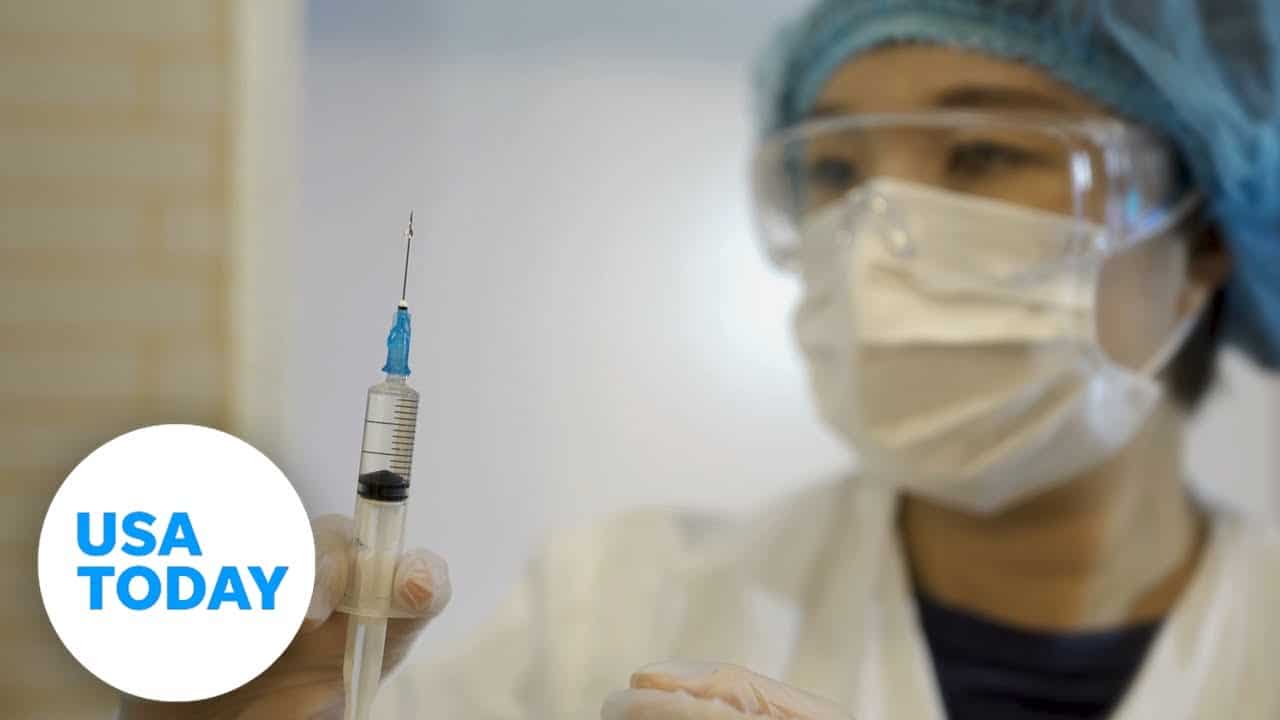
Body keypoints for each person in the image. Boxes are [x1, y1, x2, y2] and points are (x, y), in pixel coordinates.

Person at [121, 0, 1280, 718]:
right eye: (833, 173)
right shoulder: (612, 611)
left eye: (976, 152)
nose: (871, 234)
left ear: (1202, 235)